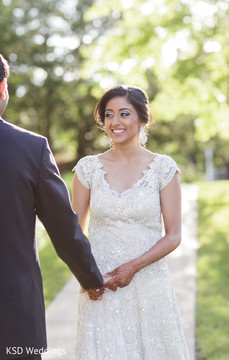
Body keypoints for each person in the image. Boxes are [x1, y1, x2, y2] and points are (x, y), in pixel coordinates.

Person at [0, 54, 107, 360]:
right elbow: (64, 229)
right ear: (3, 87)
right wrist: (91, 279)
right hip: (11, 312)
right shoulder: (30, 149)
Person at [72, 85, 190, 359]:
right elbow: (73, 232)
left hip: (149, 283)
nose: (115, 122)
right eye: (109, 115)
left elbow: (173, 236)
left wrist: (132, 267)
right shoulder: (87, 168)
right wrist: (85, 274)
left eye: (124, 114)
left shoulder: (164, 168)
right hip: (100, 284)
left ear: (142, 119)